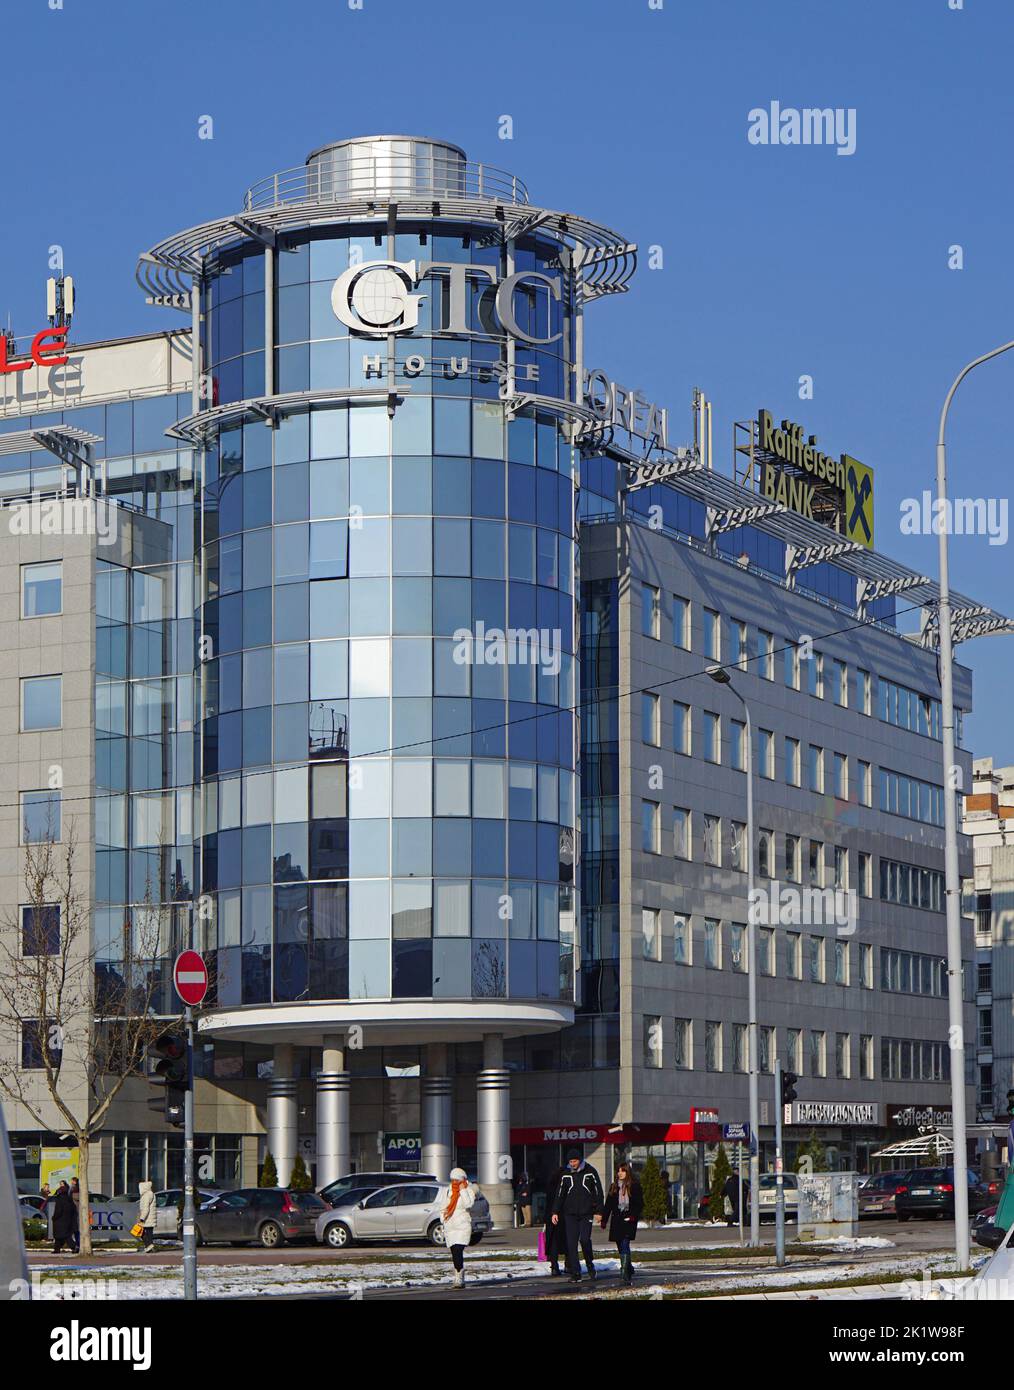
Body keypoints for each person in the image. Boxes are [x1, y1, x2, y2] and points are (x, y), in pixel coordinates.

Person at [551, 1148, 603, 1284]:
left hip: (586, 1213)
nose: (572, 1164)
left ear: (580, 1160)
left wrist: (599, 1211)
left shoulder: (590, 1172)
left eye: (574, 1161)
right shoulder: (565, 1175)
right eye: (570, 1161)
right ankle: (576, 1272)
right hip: (570, 1214)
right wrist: (555, 1212)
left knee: (585, 1240)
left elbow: (598, 1192)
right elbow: (559, 1194)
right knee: (571, 1244)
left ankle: (590, 1265)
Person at [600, 1162, 643, 1286]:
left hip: (629, 1220)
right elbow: (608, 1204)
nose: (620, 1173)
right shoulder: (614, 1187)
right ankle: (628, 1267)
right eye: (618, 1171)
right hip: (617, 1220)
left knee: (625, 1243)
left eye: (622, 1171)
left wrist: (633, 1216)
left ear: (627, 1172)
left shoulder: (634, 1186)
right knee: (620, 1245)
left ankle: (624, 1273)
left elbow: (639, 1204)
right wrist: (604, 1219)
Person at [439, 1167, 475, 1289]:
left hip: (462, 1225)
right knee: (454, 1251)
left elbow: (468, 1204)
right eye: (452, 1180)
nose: (454, 1182)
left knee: (459, 1249)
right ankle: (458, 1275)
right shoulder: (448, 1190)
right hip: (450, 1225)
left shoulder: (469, 1190)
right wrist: (442, 1218)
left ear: (462, 1180)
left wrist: (463, 1190)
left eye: (456, 1180)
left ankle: (459, 1278)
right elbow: (443, 1206)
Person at [543, 1166, 566, 1275]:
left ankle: (554, 1265)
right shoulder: (564, 1185)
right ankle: (569, 1264)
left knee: (553, 1242)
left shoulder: (551, 1185)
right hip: (563, 1216)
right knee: (568, 1240)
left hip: (550, 1216)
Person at [51, 1181, 75, 1255]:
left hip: (59, 1221)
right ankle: (56, 1249)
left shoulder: (59, 1200)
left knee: (64, 1236)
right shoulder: (69, 1199)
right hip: (67, 1219)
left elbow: (58, 1211)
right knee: (60, 1236)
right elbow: (72, 1209)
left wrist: (54, 1218)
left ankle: (74, 1247)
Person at [137, 1179, 156, 1252]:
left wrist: (142, 1218)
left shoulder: (146, 1196)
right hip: (150, 1218)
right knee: (149, 1233)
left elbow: (145, 1209)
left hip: (147, 1218)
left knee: (140, 1232)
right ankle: (149, 1247)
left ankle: (149, 1245)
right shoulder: (151, 1194)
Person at [69, 1177, 81, 1253]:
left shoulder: (76, 1189)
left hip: (76, 1211)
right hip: (73, 1210)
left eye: (72, 1181)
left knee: (76, 1229)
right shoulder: (71, 1188)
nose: (71, 1182)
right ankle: (76, 1244)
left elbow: (76, 1197)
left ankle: (77, 1245)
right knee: (75, 1229)